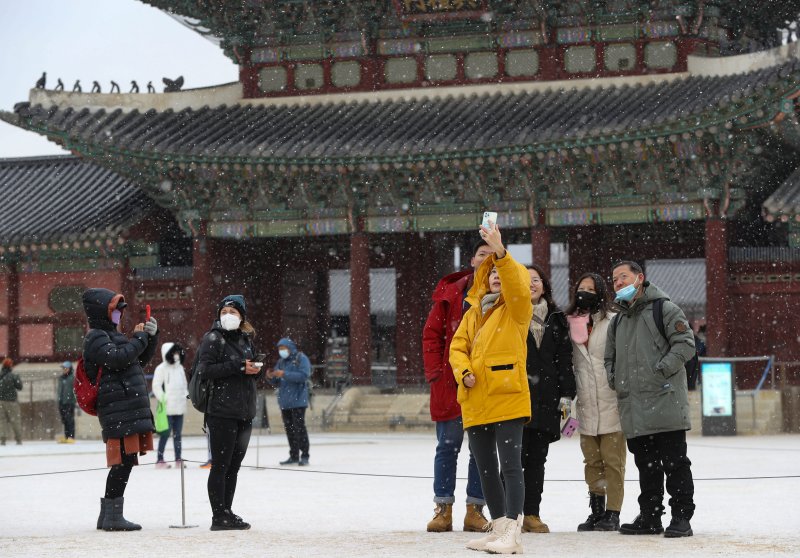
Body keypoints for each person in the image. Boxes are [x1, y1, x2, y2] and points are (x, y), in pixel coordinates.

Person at [449, 221, 532, 554]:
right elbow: (457, 348)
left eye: (500, 272)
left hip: (507, 393)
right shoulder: (473, 314)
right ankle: (498, 526)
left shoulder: (516, 309)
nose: (496, 276)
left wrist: (500, 252)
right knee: (485, 467)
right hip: (476, 397)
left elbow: (518, 287)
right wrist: (464, 371)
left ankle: (512, 527)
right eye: (491, 273)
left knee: (510, 465)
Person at [605, 261, 696, 538]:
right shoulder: (618, 320)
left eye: (623, 277)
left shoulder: (664, 309)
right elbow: (610, 358)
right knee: (645, 464)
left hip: (664, 399)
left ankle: (681, 517)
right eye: (614, 280)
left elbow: (686, 343)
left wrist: (660, 371)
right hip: (633, 404)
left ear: (640, 278)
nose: (618, 283)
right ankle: (650, 515)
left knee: (675, 463)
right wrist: (616, 379)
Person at [421, 239, 494, 533]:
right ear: (472, 261)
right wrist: (437, 374)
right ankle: (443, 508)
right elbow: (431, 336)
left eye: (493, 255)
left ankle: (475, 510)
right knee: (447, 446)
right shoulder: (451, 295)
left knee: (482, 450)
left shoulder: (504, 294)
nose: (487, 259)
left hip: (487, 384)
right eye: (481, 254)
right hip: (451, 382)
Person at [82, 288, 159, 531]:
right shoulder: (96, 337)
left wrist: (150, 337)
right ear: (102, 312)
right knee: (122, 462)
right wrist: (138, 338)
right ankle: (113, 516)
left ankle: (108, 516)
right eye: (116, 310)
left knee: (125, 461)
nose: (119, 314)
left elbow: (134, 362)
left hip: (124, 406)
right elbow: (118, 358)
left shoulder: (110, 335)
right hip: (117, 408)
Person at [565, 273, 626, 532]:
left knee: (613, 462)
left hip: (611, 402)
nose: (585, 293)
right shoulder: (568, 323)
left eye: (591, 289)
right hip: (585, 405)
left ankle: (613, 512)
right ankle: (596, 511)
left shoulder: (613, 321)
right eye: (582, 288)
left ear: (601, 293)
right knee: (592, 462)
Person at [196, 294, 262, 531]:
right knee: (221, 465)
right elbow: (205, 370)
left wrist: (256, 370)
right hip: (221, 411)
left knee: (234, 466)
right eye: (224, 312)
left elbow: (251, 370)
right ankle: (218, 515)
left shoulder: (246, 340)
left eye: (233, 312)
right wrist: (237, 366)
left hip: (244, 412)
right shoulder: (213, 338)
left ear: (242, 316)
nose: (228, 316)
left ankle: (227, 510)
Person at [520, 264, 576, 534]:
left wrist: (567, 395)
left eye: (536, 279)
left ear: (544, 284)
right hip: (517, 397)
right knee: (512, 460)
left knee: (536, 461)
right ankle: (507, 516)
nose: (532, 284)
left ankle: (531, 513)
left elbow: (565, 359)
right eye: (526, 279)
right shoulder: (510, 313)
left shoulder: (556, 318)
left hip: (546, 398)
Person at [268, 337, 311, 466]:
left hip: (298, 401)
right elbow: (277, 381)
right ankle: (293, 455)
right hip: (285, 402)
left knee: (299, 428)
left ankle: (304, 455)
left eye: (283, 348)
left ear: (290, 348)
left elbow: (304, 375)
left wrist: (284, 374)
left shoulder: (301, 358)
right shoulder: (281, 362)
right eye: (279, 349)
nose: (281, 351)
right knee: (290, 429)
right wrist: (271, 377)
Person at [152, 342, 188, 468]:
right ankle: (160, 459)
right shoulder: (161, 368)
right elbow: (156, 386)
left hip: (180, 407)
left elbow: (184, 385)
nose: (176, 355)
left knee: (178, 434)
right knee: (165, 434)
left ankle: (178, 459)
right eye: (173, 352)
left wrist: (186, 395)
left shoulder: (180, 368)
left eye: (177, 352)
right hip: (167, 408)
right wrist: (164, 398)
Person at [0, 358, 23, 445]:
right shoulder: (14, 376)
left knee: (2, 421)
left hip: (0, 401)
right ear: (10, 366)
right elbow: (20, 387)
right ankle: (18, 439)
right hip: (12, 402)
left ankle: (2, 439)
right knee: (15, 420)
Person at [56, 361, 77, 443]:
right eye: (63, 368)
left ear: (70, 368)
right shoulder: (61, 378)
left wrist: (73, 401)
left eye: (65, 368)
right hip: (62, 402)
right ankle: (66, 436)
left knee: (70, 420)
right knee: (64, 420)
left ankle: (71, 437)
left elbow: (74, 391)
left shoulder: (72, 378)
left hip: (69, 402)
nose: (64, 370)